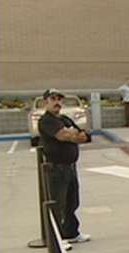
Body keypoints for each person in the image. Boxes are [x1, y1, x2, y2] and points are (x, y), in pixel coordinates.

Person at [37, 89, 92, 244]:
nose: (57, 102)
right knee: (58, 204)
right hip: (56, 168)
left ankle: (71, 233)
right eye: (53, 99)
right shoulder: (46, 121)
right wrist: (70, 134)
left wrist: (72, 133)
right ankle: (56, 239)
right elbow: (62, 135)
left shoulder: (65, 119)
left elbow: (84, 136)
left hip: (70, 167)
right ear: (46, 101)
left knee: (72, 202)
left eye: (59, 99)